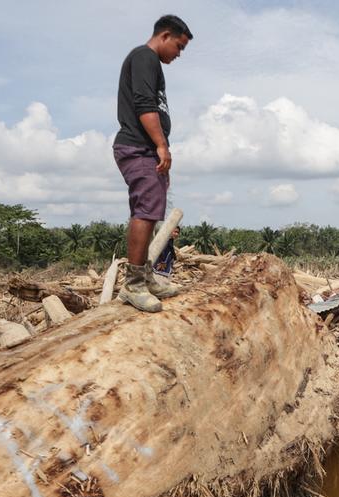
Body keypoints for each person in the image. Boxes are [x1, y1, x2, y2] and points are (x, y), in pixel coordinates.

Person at [113, 15, 192, 312]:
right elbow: (145, 105)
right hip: (137, 145)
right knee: (145, 213)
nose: (179, 54)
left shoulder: (150, 62)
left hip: (146, 149)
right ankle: (133, 285)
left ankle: (145, 276)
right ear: (166, 35)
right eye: (179, 46)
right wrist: (161, 145)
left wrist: (162, 152)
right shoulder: (144, 57)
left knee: (149, 210)